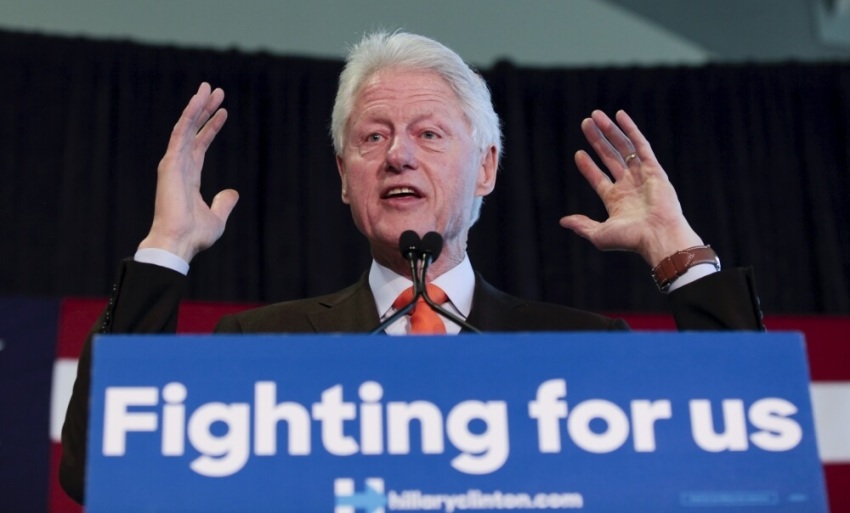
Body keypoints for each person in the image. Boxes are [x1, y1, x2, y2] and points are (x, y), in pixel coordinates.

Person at [59, 31, 763, 503]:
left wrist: (679, 254)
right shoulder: (262, 347)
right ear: (345, 177)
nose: (398, 155)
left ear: (485, 168)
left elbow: (748, 458)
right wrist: (166, 248)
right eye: (373, 137)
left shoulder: (583, 351)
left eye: (429, 134)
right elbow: (99, 472)